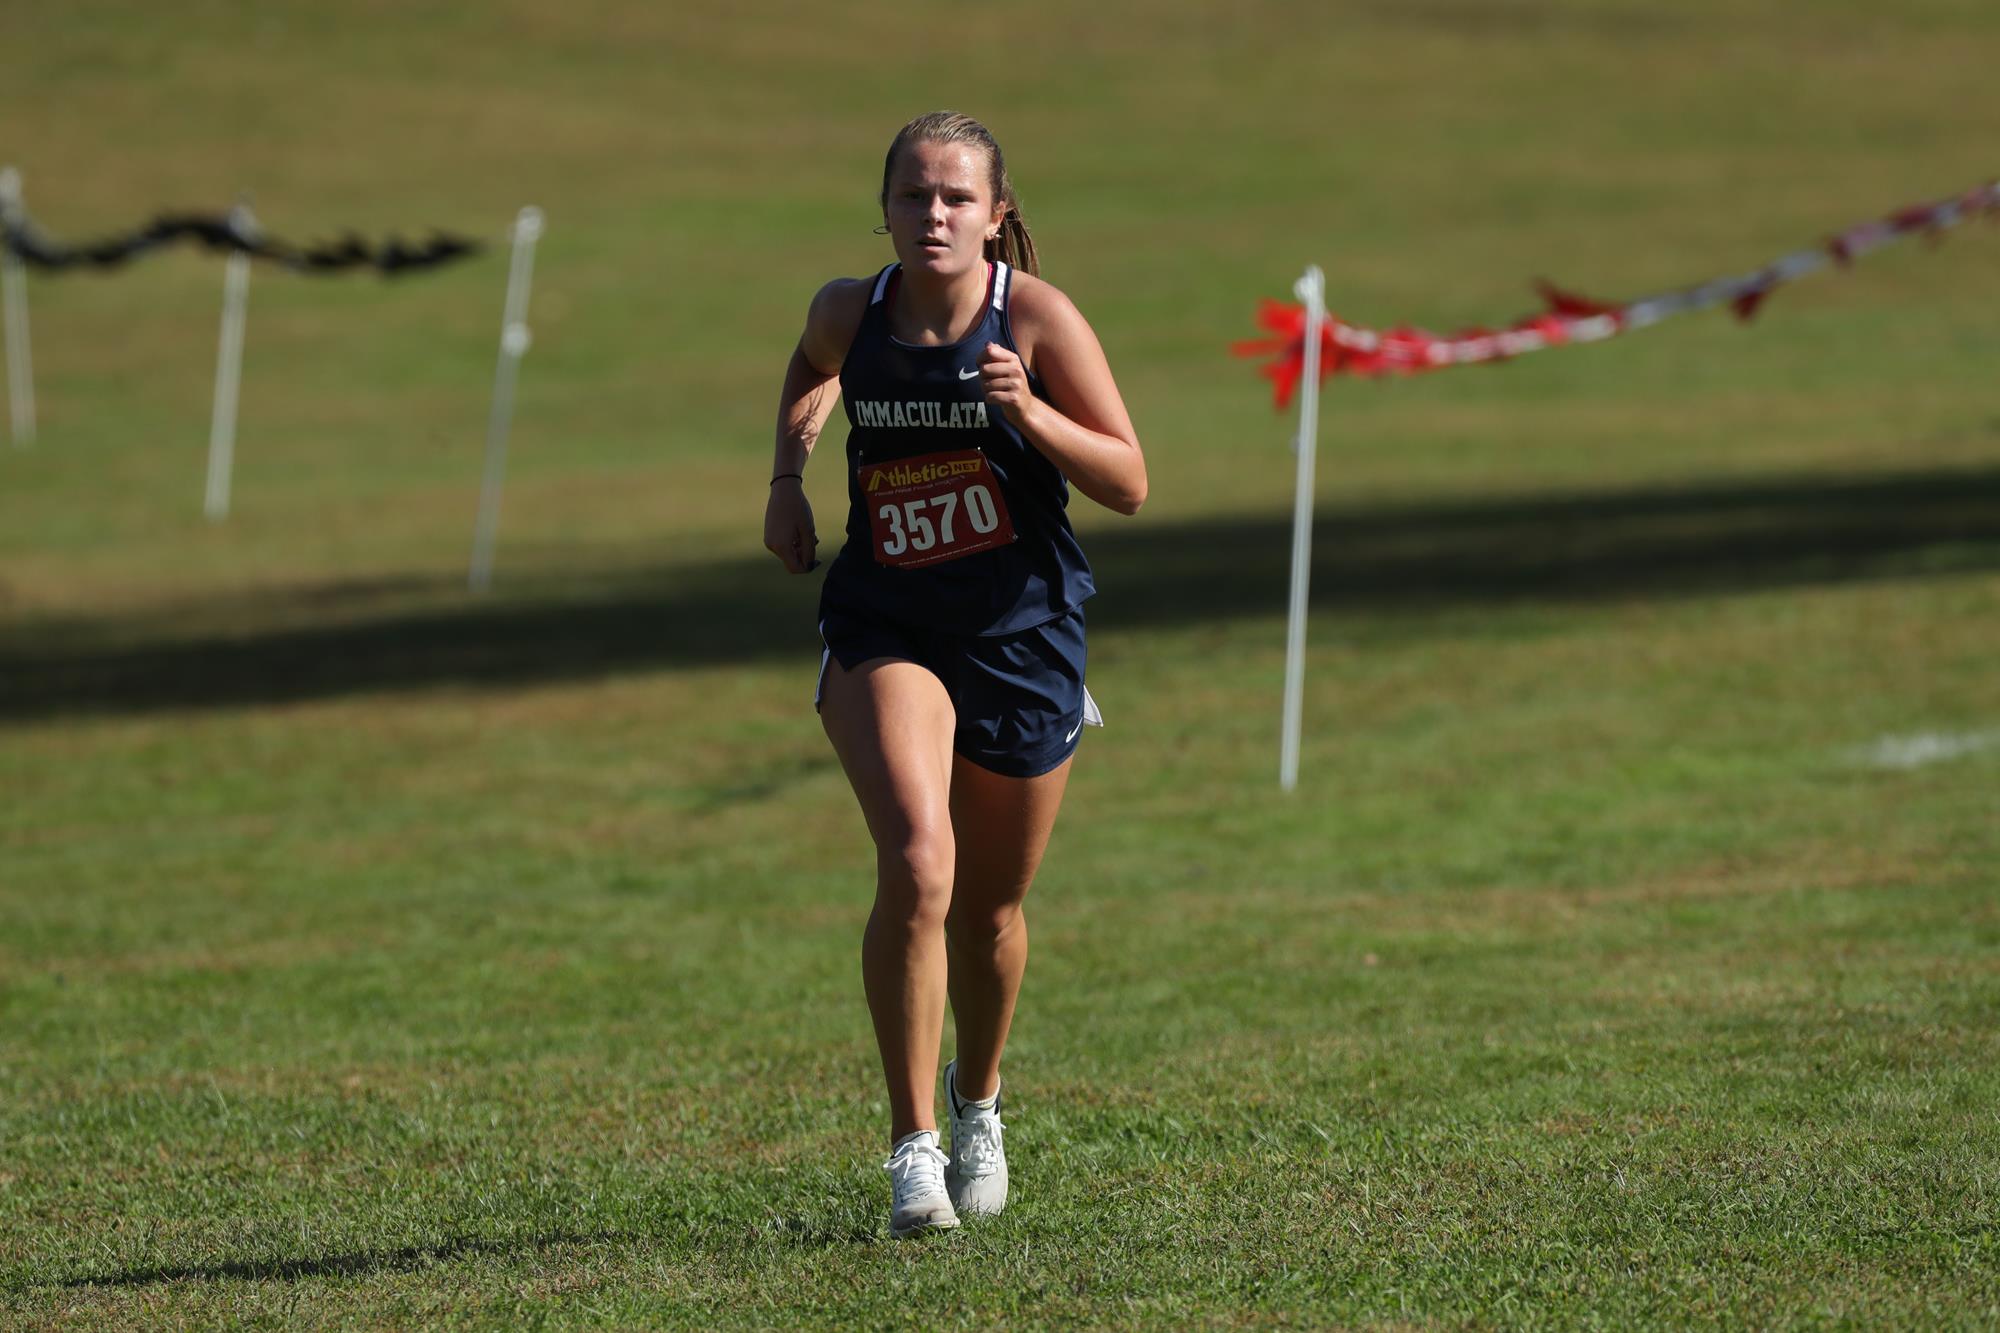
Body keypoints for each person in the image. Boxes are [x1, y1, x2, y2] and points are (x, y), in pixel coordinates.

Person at [763, 110, 1146, 1238]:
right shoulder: (851, 311)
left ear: (994, 214)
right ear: (884, 208)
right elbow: (810, 367)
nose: (932, 214)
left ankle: (977, 1100)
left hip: (1022, 637)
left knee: (988, 911)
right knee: (920, 861)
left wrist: (1028, 410)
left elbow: (1128, 480)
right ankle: (912, 1149)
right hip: (887, 623)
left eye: (955, 197)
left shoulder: (1035, 319)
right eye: (913, 195)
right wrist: (786, 478)